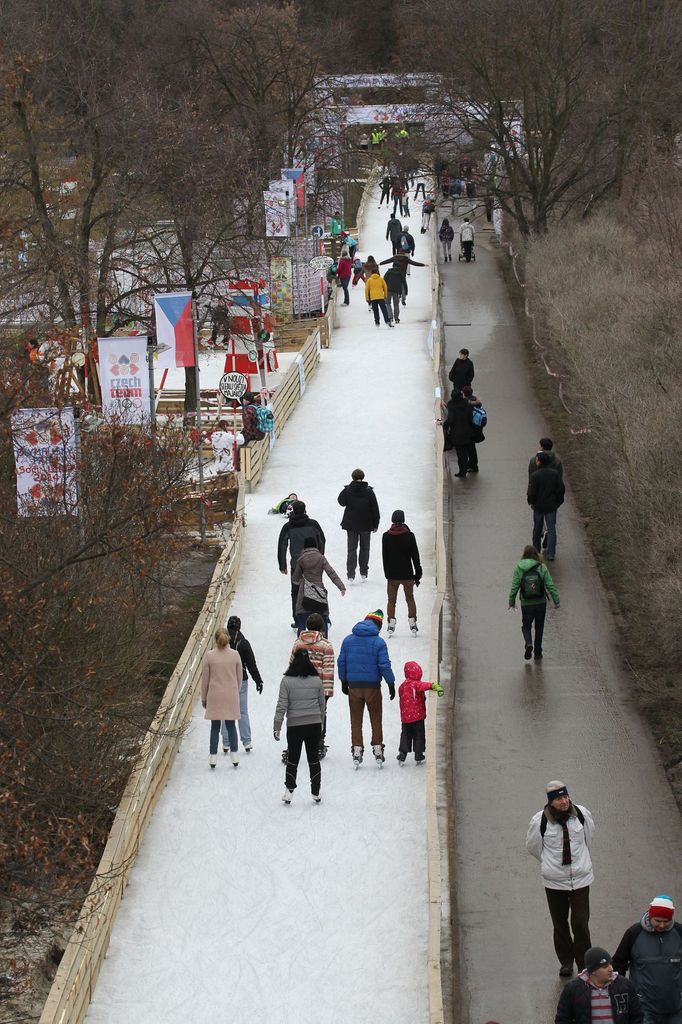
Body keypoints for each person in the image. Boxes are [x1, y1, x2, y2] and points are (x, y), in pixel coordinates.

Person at [526, 781, 595, 976]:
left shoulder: (581, 814)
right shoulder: (540, 821)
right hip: (554, 882)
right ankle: (566, 961)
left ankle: (584, 964)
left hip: (581, 879)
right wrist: (550, 863)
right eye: (558, 799)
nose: (564, 801)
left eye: (565, 797)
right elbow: (533, 846)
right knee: (560, 923)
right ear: (551, 802)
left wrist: (581, 862)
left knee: (581, 922)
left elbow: (589, 838)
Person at [337, 610, 395, 768]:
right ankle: (377, 748)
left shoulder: (347, 641)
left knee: (355, 719)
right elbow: (384, 665)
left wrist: (343, 680)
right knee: (376, 718)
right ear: (378, 625)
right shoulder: (379, 642)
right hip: (373, 687)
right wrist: (391, 683)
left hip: (354, 687)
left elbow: (341, 662)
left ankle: (357, 749)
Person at [613, 895, 682, 1024]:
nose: (662, 925)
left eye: (666, 921)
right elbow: (618, 963)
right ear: (650, 916)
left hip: (675, 1007)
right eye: (658, 920)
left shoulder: (679, 932)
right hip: (644, 1008)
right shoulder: (634, 933)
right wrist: (620, 991)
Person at [273, 649, 325, 805]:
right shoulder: (316, 680)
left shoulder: (286, 681)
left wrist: (277, 726)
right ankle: (316, 792)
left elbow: (282, 705)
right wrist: (320, 722)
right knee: (313, 760)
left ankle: (289, 791)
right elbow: (322, 705)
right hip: (313, 725)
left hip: (295, 725)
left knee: (293, 759)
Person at [555, 947, 643, 1024]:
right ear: (593, 971)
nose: (611, 969)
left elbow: (637, 1016)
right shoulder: (573, 989)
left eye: (610, 964)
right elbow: (563, 1019)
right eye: (605, 967)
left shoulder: (625, 986)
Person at [290, 612, 335, 759]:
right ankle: (318, 743)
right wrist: (327, 691)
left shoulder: (298, 644)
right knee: (320, 714)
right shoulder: (326, 646)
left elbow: (292, 665)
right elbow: (327, 669)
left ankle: (293, 745)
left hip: (299, 686)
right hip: (318, 688)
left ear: (307, 626)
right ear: (322, 627)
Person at [220, 616, 264, 754]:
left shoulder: (220, 642)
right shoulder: (243, 643)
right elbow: (251, 664)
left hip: (224, 680)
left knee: (225, 711)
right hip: (240, 680)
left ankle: (226, 743)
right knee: (242, 711)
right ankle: (247, 741)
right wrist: (258, 680)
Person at [278, 500, 326, 626]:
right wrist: (320, 557)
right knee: (316, 589)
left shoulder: (288, 527)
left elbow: (282, 545)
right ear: (305, 510)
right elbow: (322, 540)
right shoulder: (313, 524)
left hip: (296, 565)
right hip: (314, 564)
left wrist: (282, 565)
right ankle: (316, 617)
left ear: (293, 510)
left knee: (296, 592)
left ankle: (298, 619)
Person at [508, 544, 560, 660]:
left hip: (526, 604)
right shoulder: (542, 567)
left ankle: (528, 643)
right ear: (536, 555)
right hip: (540, 603)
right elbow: (550, 585)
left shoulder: (519, 567)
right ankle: (538, 652)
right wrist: (556, 601)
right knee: (539, 627)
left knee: (526, 626)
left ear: (524, 555)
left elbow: (514, 587)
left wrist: (511, 602)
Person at [201, 627, 242, 769]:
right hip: (231, 694)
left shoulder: (209, 656)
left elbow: (205, 679)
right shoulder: (235, 655)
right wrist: (235, 691)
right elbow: (239, 678)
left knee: (215, 727)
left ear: (215, 639)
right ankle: (234, 755)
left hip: (215, 694)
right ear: (228, 638)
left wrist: (204, 697)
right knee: (231, 726)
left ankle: (213, 757)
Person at [291, 537, 346, 634]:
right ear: (315, 546)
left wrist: (302, 581)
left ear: (305, 547)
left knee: (302, 622)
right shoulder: (321, 558)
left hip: (304, 594)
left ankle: (300, 646)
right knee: (322, 620)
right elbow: (331, 573)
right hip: (319, 593)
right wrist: (341, 586)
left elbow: (295, 579)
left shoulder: (301, 560)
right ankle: (323, 644)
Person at [382, 509, 422, 636]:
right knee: (410, 598)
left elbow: (385, 557)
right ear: (403, 520)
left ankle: (391, 622)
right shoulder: (410, 536)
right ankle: (412, 621)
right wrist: (418, 573)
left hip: (392, 575)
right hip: (407, 575)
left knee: (391, 600)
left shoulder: (386, 536)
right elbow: (415, 556)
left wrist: (387, 573)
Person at [338, 468, 381, 581]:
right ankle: (364, 572)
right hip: (366, 525)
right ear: (363, 477)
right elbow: (375, 508)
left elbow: (341, 502)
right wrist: (376, 524)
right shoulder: (369, 491)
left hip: (351, 525)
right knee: (365, 548)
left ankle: (351, 574)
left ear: (352, 477)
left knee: (351, 549)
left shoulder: (348, 490)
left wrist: (347, 489)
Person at [397, 661, 443, 764]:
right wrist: (434, 686)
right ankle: (418, 754)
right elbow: (424, 686)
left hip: (405, 718)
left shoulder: (402, 686)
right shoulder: (416, 684)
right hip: (418, 716)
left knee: (405, 734)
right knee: (419, 734)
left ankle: (402, 754)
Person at [528, 450, 566, 561]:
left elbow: (532, 491)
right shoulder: (555, 474)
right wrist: (558, 501)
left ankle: (536, 552)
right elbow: (561, 489)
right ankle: (551, 553)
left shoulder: (535, 475)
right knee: (551, 528)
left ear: (539, 461)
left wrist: (531, 502)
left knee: (537, 529)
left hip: (538, 506)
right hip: (551, 506)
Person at [443, 388, 475, 477]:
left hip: (457, 433)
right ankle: (467, 466)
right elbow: (470, 417)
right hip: (467, 431)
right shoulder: (466, 403)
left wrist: (445, 425)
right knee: (465, 451)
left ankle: (462, 471)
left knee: (460, 453)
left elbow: (451, 419)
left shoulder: (451, 405)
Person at [461, 385, 485, 473]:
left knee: (470, 448)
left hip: (469, 429)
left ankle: (473, 465)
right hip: (477, 428)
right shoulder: (476, 401)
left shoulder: (466, 403)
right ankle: (472, 464)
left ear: (464, 394)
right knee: (472, 448)